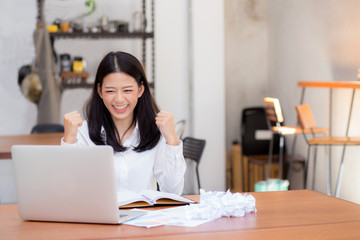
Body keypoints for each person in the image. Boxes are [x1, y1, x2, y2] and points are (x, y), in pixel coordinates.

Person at [62, 51, 185, 195]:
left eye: (127, 90)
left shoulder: (156, 132)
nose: (119, 99)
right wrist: (68, 141)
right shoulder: (83, 132)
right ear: (100, 91)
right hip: (100, 217)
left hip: (144, 216)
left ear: (140, 90)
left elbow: (173, 191)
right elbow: (67, 191)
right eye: (110, 91)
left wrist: (172, 141)